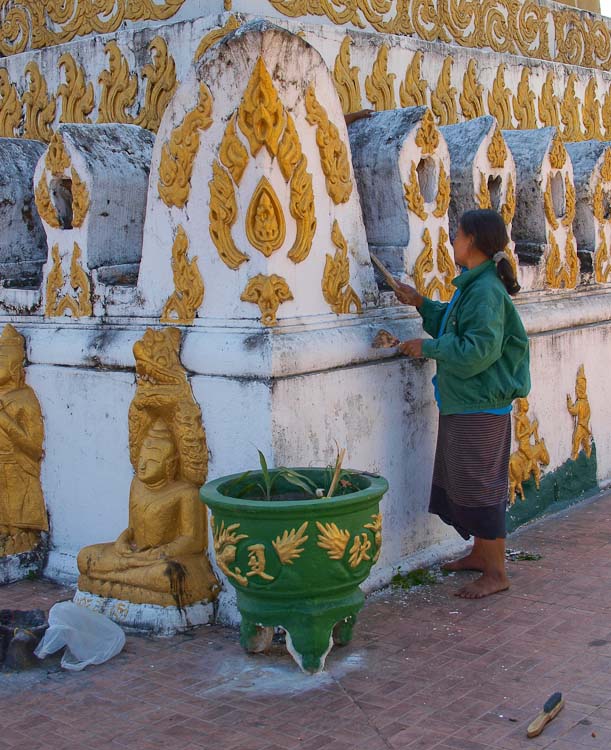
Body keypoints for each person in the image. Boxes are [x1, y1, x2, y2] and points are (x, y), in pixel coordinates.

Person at [394, 209, 530, 599]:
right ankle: (481, 555)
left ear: (472, 241)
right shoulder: (474, 284)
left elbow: (478, 350)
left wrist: (428, 348)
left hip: (480, 405)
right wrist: (420, 302)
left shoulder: (485, 290)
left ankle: (497, 572)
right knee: (467, 482)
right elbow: (455, 324)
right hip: (467, 401)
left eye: (457, 234)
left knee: (481, 487)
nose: (452, 240)